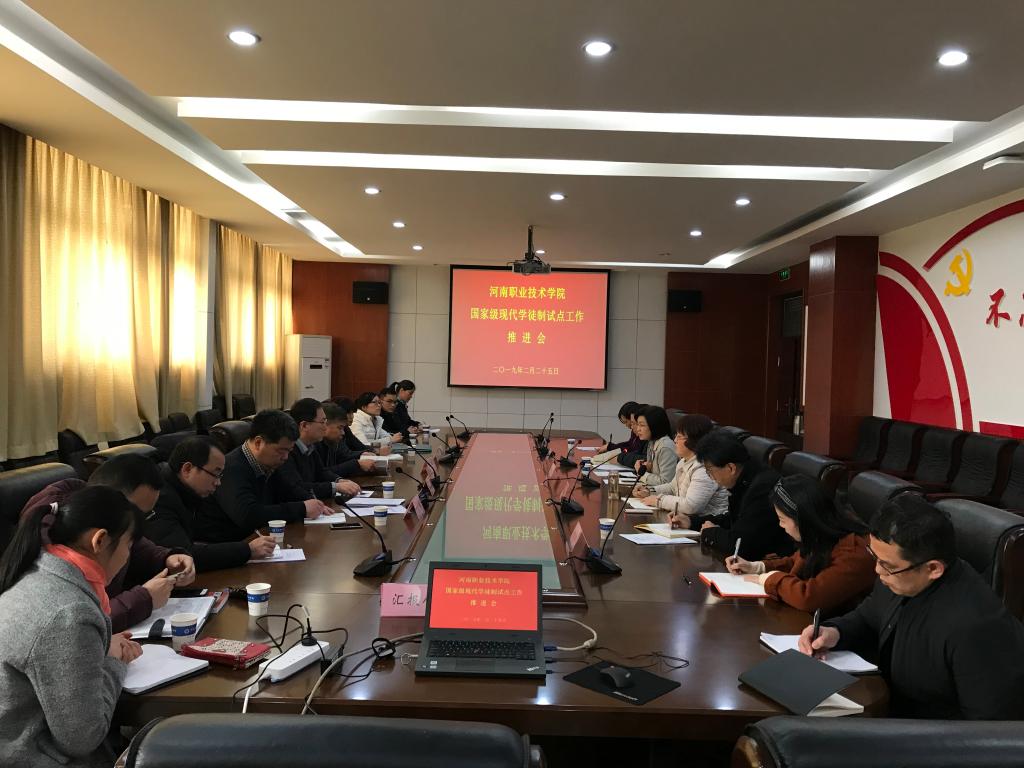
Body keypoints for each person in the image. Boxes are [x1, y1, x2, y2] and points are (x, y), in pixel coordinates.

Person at [799, 494, 1024, 719]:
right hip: (888, 707)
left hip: (927, 732)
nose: (877, 571)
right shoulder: (901, 577)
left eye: (886, 565)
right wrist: (834, 632)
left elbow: (988, 728)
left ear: (933, 569)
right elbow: (868, 617)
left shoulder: (977, 627)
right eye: (875, 557)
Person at [0, 485, 143, 767]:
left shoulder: (38, 572)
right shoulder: (70, 613)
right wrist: (114, 662)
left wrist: (100, 648)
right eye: (128, 545)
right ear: (100, 540)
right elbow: (83, 738)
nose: (128, 555)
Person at [19, 454, 196, 633]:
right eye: (136, 514)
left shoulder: (95, 514)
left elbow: (135, 545)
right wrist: (144, 599)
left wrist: (166, 558)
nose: (138, 525)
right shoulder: (54, 551)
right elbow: (78, 623)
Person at [726, 475, 874, 614]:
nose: (781, 525)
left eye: (782, 519)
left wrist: (766, 579)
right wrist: (756, 567)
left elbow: (809, 598)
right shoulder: (821, 537)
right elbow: (796, 562)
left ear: (804, 520)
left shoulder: (855, 552)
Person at [145, 437, 277, 569]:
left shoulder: (190, 492)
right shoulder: (158, 498)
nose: (218, 483)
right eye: (215, 473)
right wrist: (247, 550)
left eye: (220, 476)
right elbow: (182, 556)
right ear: (187, 469)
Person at [202, 410, 332, 544]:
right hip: (226, 545)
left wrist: (312, 502)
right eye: (281, 451)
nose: (285, 457)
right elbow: (249, 515)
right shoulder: (231, 468)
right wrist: (302, 508)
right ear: (258, 443)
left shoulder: (269, 463)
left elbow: (289, 490)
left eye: (289, 451)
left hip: (258, 539)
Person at [695, 430, 794, 560]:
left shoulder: (762, 488)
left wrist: (711, 533)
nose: (710, 477)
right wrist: (692, 522)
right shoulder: (747, 476)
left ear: (731, 468)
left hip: (773, 562)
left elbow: (740, 546)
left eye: (710, 470)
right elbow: (736, 520)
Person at [636, 413, 728, 527]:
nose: (675, 440)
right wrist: (649, 491)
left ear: (694, 440)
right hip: (686, 522)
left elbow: (691, 506)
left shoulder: (704, 468)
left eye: (679, 437)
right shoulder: (684, 461)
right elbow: (672, 488)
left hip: (706, 527)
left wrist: (658, 500)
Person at [274, 398, 362, 501]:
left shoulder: (310, 446)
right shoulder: (287, 451)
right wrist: (335, 487)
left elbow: (321, 472)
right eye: (323, 422)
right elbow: (296, 488)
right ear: (304, 425)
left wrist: (339, 481)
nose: (325, 427)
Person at [317, 403, 377, 477]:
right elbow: (320, 474)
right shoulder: (313, 444)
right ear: (325, 425)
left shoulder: (333, 441)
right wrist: (357, 464)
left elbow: (343, 457)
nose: (343, 433)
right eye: (340, 428)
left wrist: (361, 454)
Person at [632, 405, 678, 487]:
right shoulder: (651, 442)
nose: (638, 429)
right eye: (638, 425)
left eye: (642, 425)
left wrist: (641, 473)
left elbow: (666, 482)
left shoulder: (665, 447)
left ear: (654, 425)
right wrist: (646, 468)